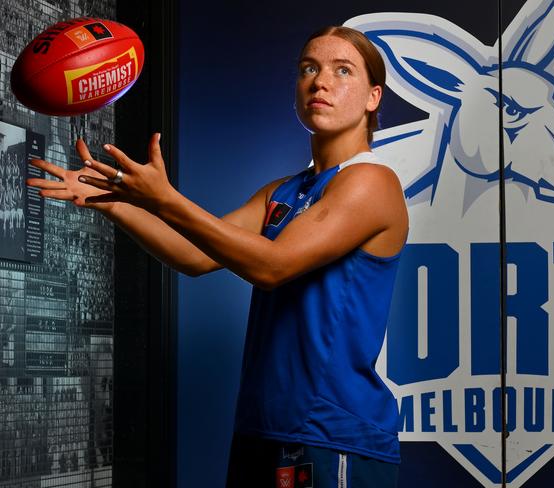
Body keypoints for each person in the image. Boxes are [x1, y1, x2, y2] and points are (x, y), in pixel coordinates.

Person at [27, 25, 408, 487]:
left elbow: (273, 266)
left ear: (373, 96)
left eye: (341, 70)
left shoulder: (372, 182)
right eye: (309, 68)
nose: (320, 81)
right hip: (261, 427)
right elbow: (193, 254)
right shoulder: (284, 191)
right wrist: (113, 201)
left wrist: (165, 200)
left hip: (332, 434)